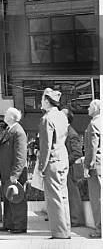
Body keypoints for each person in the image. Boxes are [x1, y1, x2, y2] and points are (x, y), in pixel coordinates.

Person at [38, 88, 71, 239]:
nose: (41, 103)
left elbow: (45, 146)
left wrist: (41, 167)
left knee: (54, 199)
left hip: (52, 161)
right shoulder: (62, 116)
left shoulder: (47, 119)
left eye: (42, 100)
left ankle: (59, 233)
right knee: (63, 196)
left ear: (46, 101)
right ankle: (66, 230)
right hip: (63, 158)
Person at [0, 107, 28, 234]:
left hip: (14, 173)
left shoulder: (18, 132)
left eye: (7, 114)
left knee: (17, 199)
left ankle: (19, 226)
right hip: (6, 171)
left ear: (12, 117)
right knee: (8, 198)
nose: (4, 116)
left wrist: (15, 174)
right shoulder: (9, 130)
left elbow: (21, 155)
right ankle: (9, 223)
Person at [61, 108, 84, 228]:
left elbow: (77, 153)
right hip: (68, 167)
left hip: (71, 168)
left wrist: (64, 163)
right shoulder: (65, 131)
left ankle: (76, 220)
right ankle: (71, 218)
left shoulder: (71, 133)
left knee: (73, 193)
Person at [83, 99, 101, 238]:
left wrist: (87, 166)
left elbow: (91, 149)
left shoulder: (93, 124)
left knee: (97, 199)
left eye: (90, 106)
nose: (87, 108)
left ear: (96, 109)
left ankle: (99, 229)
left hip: (96, 166)